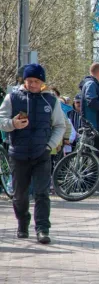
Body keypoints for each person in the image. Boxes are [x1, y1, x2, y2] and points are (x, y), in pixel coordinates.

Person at [0, 64, 66, 244]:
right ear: (24, 81)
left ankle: (42, 229)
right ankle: (22, 221)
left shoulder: (50, 100)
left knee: (42, 193)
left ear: (42, 82)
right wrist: (12, 123)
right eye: (29, 81)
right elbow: (1, 120)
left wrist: (50, 145)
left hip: (41, 154)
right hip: (18, 154)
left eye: (36, 81)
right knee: (19, 195)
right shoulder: (12, 97)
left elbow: (60, 125)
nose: (32, 85)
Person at [80, 63, 99, 195]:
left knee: (95, 156)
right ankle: (92, 186)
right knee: (94, 156)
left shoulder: (92, 84)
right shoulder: (91, 84)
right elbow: (91, 101)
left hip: (96, 126)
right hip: (94, 126)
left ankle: (92, 185)